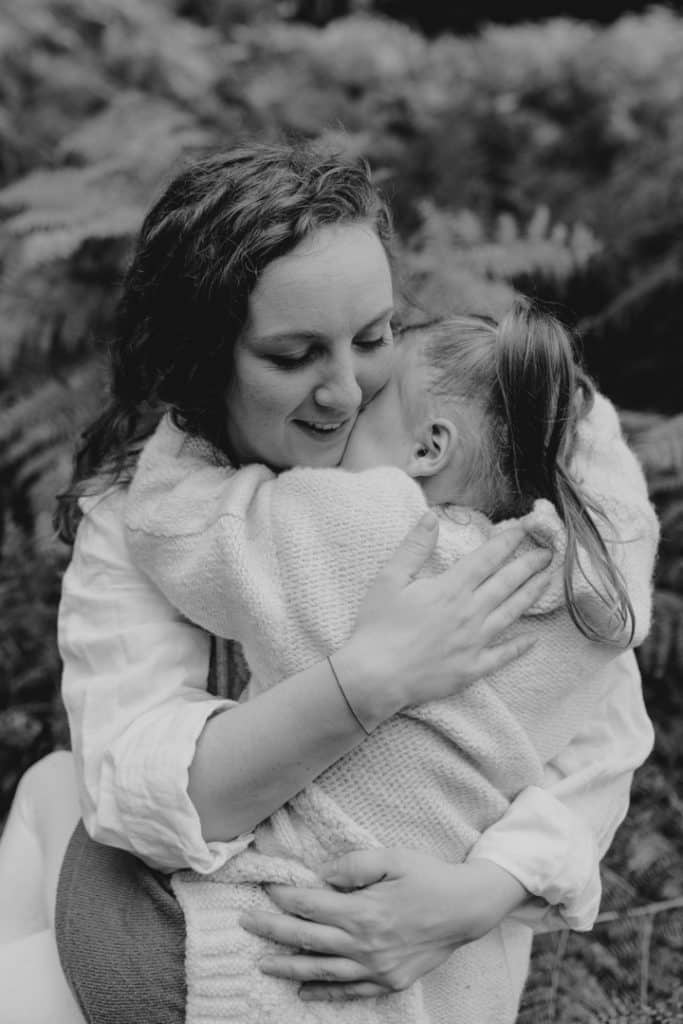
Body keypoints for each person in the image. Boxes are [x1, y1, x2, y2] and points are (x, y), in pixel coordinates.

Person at [0, 141, 655, 1024]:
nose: (345, 391)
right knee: (55, 786)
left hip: (290, 968)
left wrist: (480, 894)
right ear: (203, 359)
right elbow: (139, 792)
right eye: (294, 355)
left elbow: (604, 739)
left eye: (373, 337)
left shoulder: (457, 437)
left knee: (46, 824)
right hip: (270, 942)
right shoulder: (492, 505)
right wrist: (369, 681)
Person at [119, 300, 658, 1023]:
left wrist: (195, 387)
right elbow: (624, 505)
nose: (345, 403)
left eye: (372, 399)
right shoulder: (591, 588)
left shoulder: (355, 523)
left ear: (428, 449)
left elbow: (165, 517)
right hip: (454, 985)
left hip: (273, 953)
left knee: (50, 818)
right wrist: (554, 398)